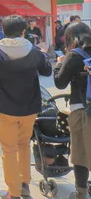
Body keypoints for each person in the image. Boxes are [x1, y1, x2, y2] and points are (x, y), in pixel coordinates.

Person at [0, 15, 52, 199]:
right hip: (29, 108)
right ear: (23, 32)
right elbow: (47, 70)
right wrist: (43, 53)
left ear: (3, 31)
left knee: (8, 149)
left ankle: (13, 192)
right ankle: (24, 184)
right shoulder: (34, 52)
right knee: (23, 145)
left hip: (4, 108)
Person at [53, 22, 91, 199]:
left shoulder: (74, 56)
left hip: (82, 111)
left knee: (81, 154)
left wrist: (59, 63)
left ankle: (81, 193)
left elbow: (59, 83)